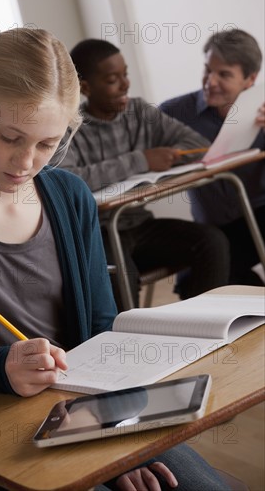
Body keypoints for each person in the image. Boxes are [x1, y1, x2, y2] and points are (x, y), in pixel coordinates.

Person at [0, 28, 230, 491]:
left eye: (46, 143)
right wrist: (1, 369)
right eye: (10, 137)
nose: (25, 162)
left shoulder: (70, 196)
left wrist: (114, 438)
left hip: (87, 409)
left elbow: (100, 326)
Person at [59, 38, 230, 307]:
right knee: (119, 278)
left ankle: (205, 323)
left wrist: (165, 157)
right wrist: (141, 160)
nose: (126, 84)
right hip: (99, 234)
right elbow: (70, 182)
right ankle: (132, 345)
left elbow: (199, 147)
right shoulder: (68, 127)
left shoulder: (138, 112)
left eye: (125, 74)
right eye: (114, 79)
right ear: (86, 87)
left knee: (212, 242)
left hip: (140, 224)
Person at [160, 29, 265, 286]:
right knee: (193, 283)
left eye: (224, 74)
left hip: (261, 215)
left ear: (250, 79)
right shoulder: (172, 113)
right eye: (208, 70)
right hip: (218, 229)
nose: (210, 81)